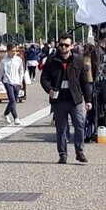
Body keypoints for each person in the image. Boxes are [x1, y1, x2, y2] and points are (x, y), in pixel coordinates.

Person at [40, 35, 92, 164]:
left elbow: (84, 81)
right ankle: (62, 154)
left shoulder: (78, 61)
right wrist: (49, 90)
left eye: (66, 45)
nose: (63, 47)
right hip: (59, 100)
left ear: (72, 46)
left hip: (75, 99)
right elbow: (44, 78)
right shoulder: (52, 61)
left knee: (80, 125)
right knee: (61, 128)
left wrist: (88, 100)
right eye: (61, 45)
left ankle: (79, 152)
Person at [0, 44, 26, 125]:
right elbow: (0, 73)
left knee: (14, 100)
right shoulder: (4, 61)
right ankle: (16, 117)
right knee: (12, 100)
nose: (14, 53)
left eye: (15, 51)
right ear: (8, 51)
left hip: (16, 82)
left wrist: (20, 81)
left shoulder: (18, 59)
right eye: (12, 51)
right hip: (8, 82)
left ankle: (5, 114)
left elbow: (21, 71)